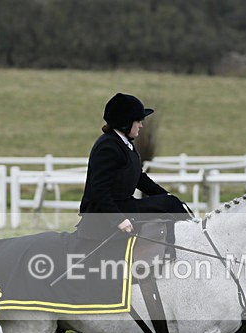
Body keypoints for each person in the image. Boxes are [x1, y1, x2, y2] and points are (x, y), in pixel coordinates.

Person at [76, 92, 188, 241]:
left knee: (171, 202)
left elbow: (140, 178)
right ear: (126, 122)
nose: (141, 125)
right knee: (170, 203)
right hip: (105, 213)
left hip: (125, 205)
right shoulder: (108, 146)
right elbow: (99, 190)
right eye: (138, 121)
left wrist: (164, 195)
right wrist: (118, 220)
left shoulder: (124, 143)